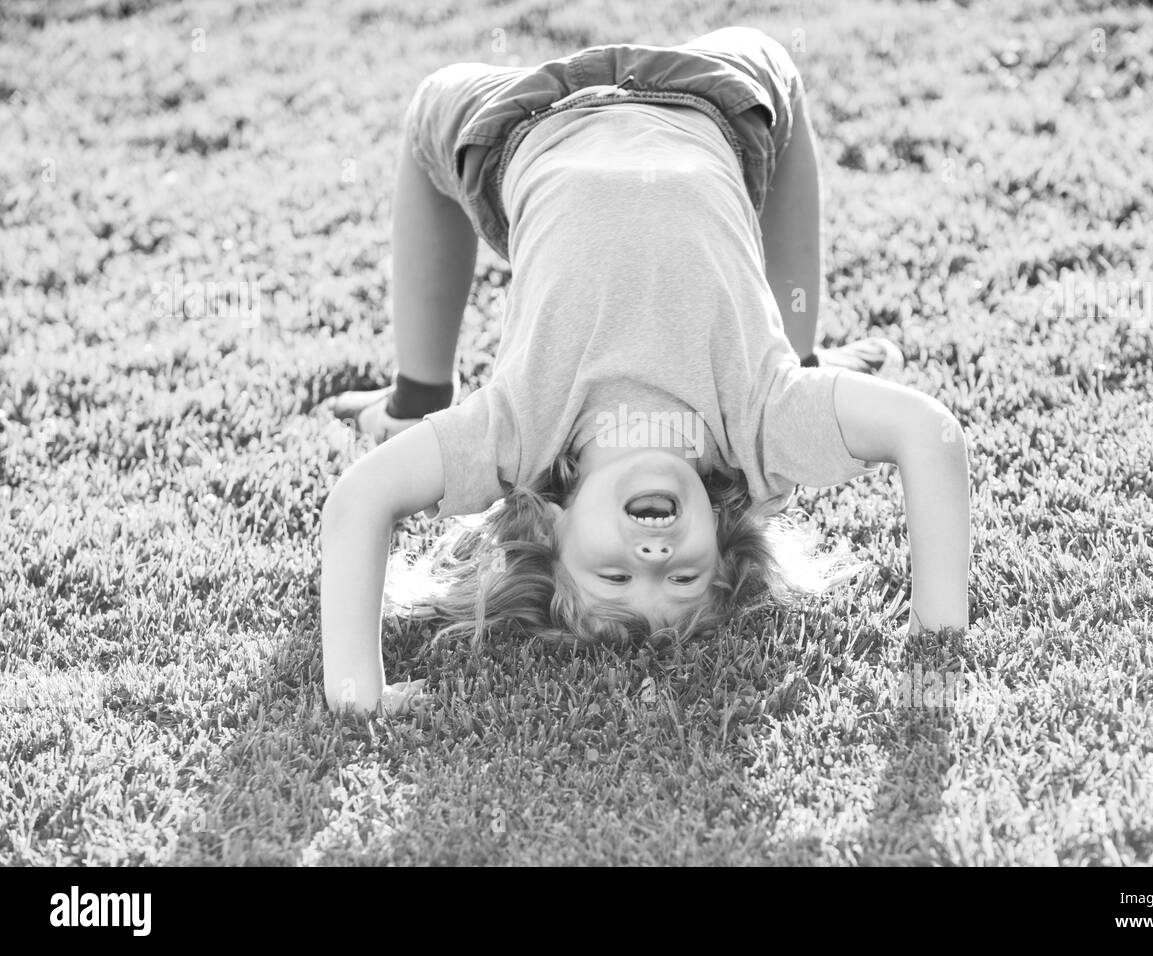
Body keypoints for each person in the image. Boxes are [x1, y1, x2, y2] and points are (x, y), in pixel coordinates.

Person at [318, 27, 970, 715]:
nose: (653, 557)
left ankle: (417, 395)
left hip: (517, 121)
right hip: (711, 96)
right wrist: (937, 638)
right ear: (722, 541)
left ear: (551, 534)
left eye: (614, 575)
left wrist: (357, 692)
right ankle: (804, 354)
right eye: (685, 576)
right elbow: (930, 436)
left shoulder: (518, 438)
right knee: (777, 72)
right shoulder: (760, 425)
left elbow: (359, 502)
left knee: (430, 109)